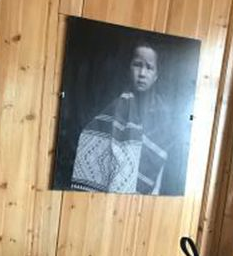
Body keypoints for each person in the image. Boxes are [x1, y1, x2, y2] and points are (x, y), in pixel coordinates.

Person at [71, 41, 172, 195]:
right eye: (137, 65)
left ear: (156, 75)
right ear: (128, 68)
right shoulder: (114, 108)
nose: (142, 73)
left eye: (149, 68)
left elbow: (162, 162)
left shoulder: (163, 117)